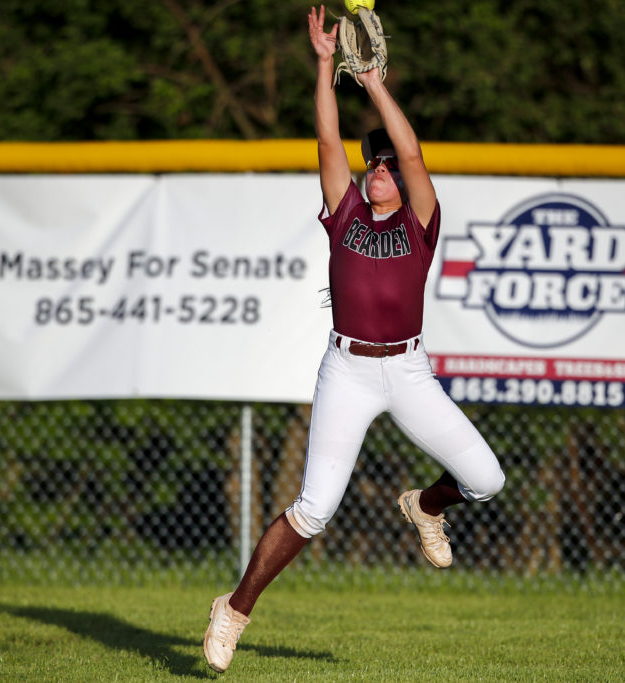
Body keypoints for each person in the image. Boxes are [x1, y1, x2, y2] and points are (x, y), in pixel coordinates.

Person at [202, 5, 505, 673]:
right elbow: (327, 142)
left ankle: (424, 506)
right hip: (348, 371)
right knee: (314, 509)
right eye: (376, 165)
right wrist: (321, 66)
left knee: (485, 478)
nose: (379, 170)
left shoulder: (421, 221)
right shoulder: (345, 214)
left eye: (389, 166)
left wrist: (371, 83)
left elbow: (417, 152)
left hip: (409, 372)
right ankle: (235, 608)